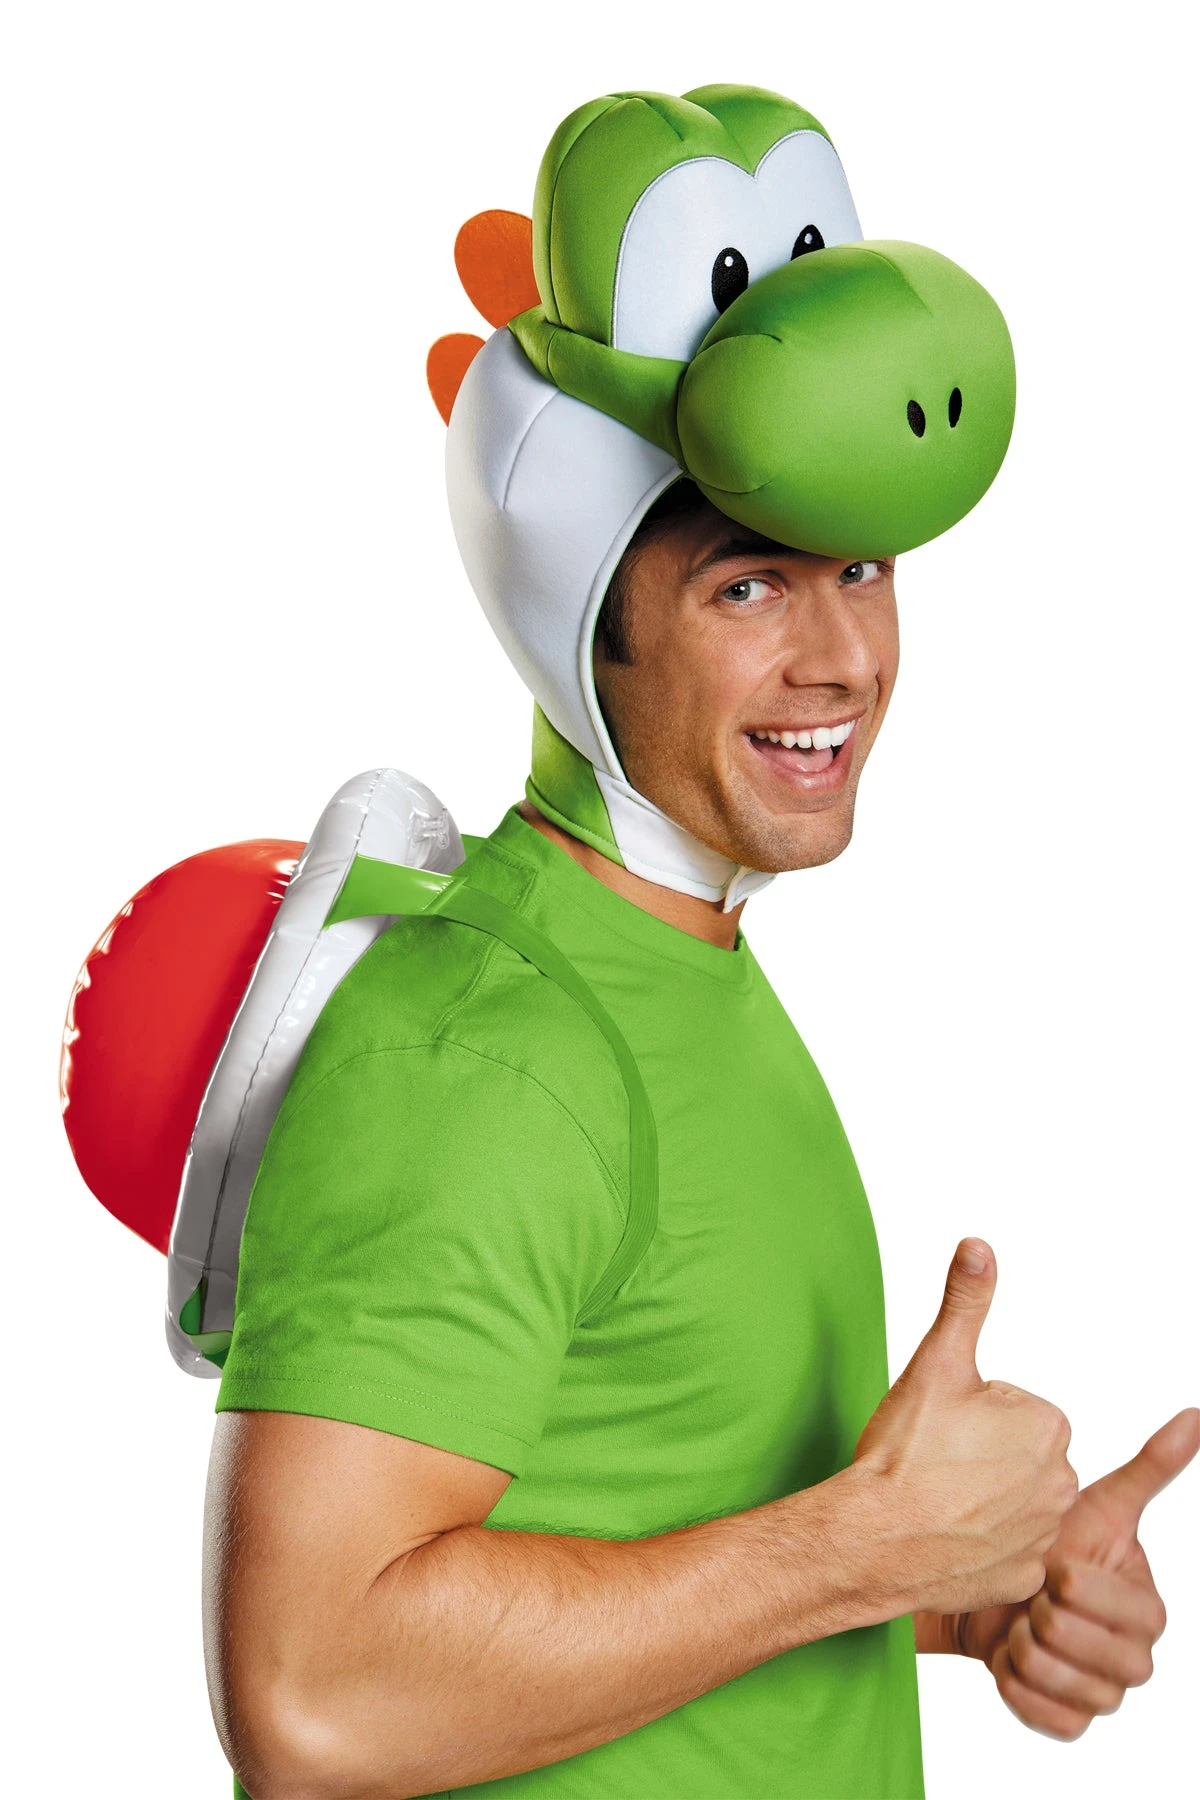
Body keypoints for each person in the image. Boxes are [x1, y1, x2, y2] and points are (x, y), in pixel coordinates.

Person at [204, 84, 1197, 1799]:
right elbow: (317, 1700)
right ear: (581, 621)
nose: (843, 662)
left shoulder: (685, 976)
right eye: (748, 586)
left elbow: (650, 1528)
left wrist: (971, 1593)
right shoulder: (487, 1044)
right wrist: (859, 1549)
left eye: (862, 571)